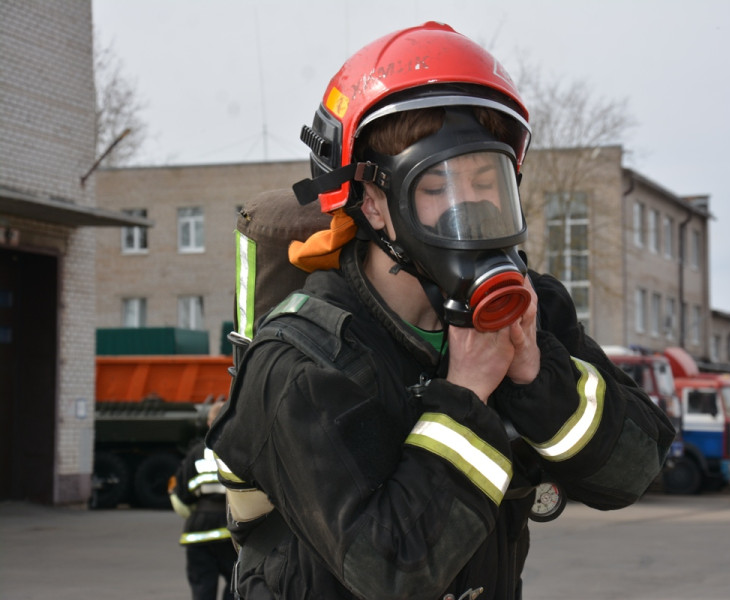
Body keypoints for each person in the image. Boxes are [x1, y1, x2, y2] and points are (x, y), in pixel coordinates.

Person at [208, 21, 675, 599]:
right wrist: (468, 392)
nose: (473, 206)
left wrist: (538, 376)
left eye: (488, 180)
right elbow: (390, 572)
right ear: (375, 203)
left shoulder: (532, 314)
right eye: (440, 187)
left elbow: (636, 469)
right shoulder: (300, 364)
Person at [170, 401, 237, 600]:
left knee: (202, 589)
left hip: (198, 534)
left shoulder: (196, 453)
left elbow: (182, 495)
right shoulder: (241, 452)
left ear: (209, 422)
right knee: (236, 586)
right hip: (232, 532)